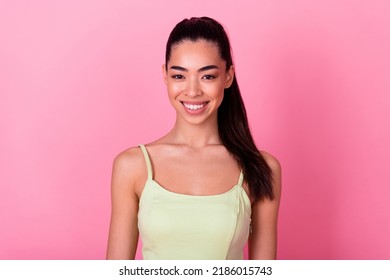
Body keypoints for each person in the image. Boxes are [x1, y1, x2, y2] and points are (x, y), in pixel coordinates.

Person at [106, 17, 281, 260]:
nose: (192, 90)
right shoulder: (132, 166)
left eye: (207, 76)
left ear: (228, 77)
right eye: (179, 76)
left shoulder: (261, 168)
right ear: (165, 76)